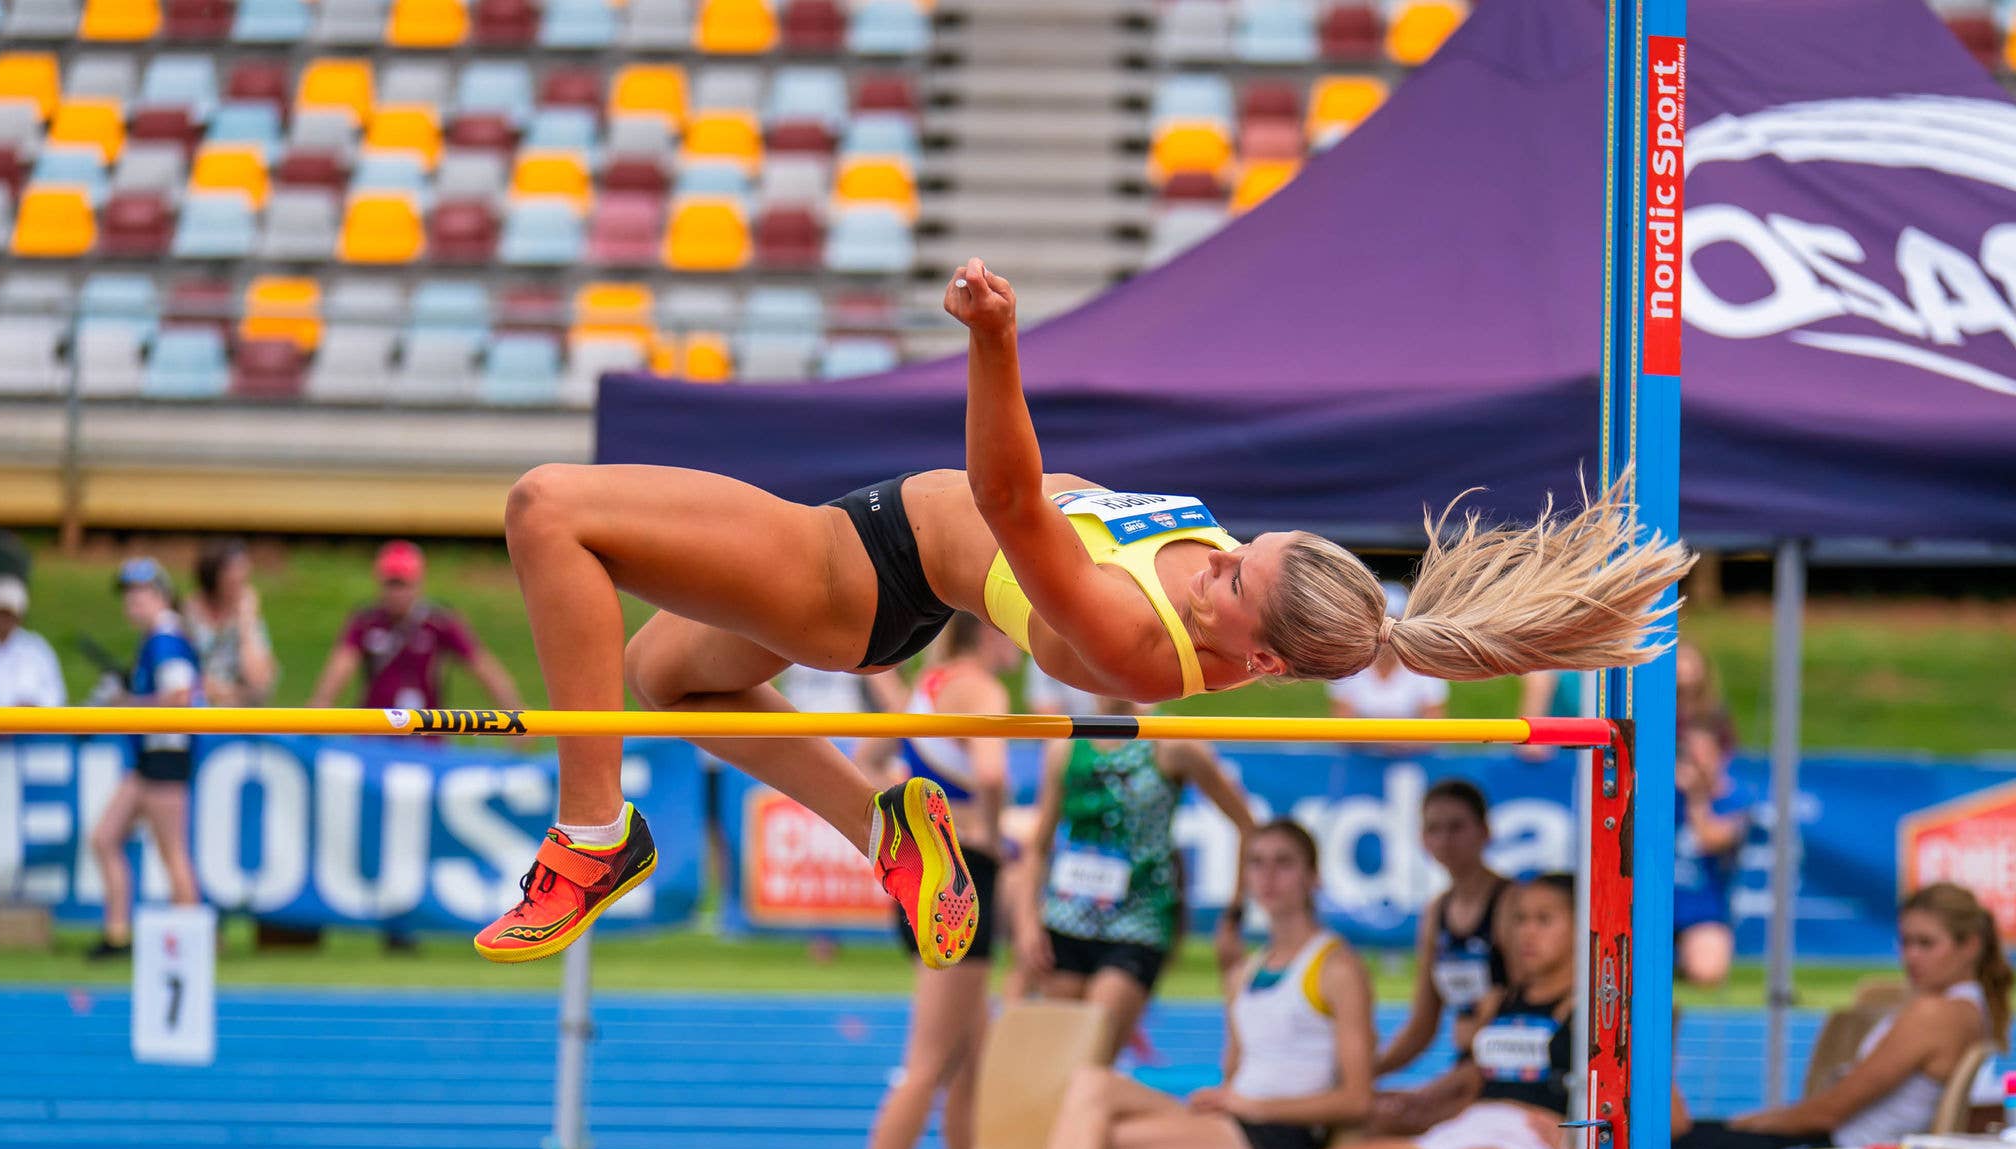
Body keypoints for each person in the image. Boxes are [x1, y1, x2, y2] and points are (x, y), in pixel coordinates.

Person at [473, 257, 1695, 968]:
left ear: (1252, 654)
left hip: (856, 569)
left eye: (1231, 580)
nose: (1218, 558)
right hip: (885, 549)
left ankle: (590, 833)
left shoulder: (1136, 647)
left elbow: (1008, 499)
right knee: (658, 677)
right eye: (1238, 552)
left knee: (548, 511)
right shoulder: (1253, 601)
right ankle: (883, 824)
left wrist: (995, 343)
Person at [1044, 821, 1376, 1149]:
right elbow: (1234, 1072)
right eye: (1257, 863)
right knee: (1091, 1084)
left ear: (1313, 877)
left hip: (1279, 1131)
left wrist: (1256, 1107)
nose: (1269, 875)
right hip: (1233, 1118)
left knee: (1109, 1138)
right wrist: (1227, 1100)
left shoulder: (1337, 968)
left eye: (1284, 862)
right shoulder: (1242, 972)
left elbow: (1357, 1100)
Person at [1673, 882, 2011, 1149]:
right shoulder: (1973, 1009)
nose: (1911, 956)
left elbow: (1829, 1112)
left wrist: (1745, 1122)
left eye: (1926, 943)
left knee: (1668, 1138)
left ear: (1970, 946)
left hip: (1840, 1142)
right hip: (1843, 1137)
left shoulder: (1936, 1014)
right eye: (1905, 942)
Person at [1011, 696, 1260, 1056]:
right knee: (1054, 1062)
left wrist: (1235, 914)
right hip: (1066, 920)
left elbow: (1247, 825)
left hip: (1138, 923)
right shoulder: (1065, 748)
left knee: (1091, 1057)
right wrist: (1027, 924)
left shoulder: (1171, 742)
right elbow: (1037, 847)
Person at [862, 617, 1019, 1149]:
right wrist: (992, 832)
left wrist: (921, 819)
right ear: (989, 633)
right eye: (1014, 630)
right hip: (962, 876)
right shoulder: (981, 688)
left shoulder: (927, 687)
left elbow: (869, 761)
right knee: (928, 1066)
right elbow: (994, 774)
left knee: (973, 1058)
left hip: (922, 870)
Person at [1350, 874, 1578, 1149]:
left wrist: (1570, 1136)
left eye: (1544, 920)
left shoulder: (1586, 1011)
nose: (1528, 933)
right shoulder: (1498, 1001)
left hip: (1528, 1137)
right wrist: (1412, 1101)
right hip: (1471, 1124)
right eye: (1520, 919)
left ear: (1580, 926)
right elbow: (1472, 1077)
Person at [86, 558, 204, 959]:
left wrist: (125, 702)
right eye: (128, 595)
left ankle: (189, 945)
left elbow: (179, 698)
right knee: (104, 838)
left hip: (165, 756)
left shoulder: (166, 637)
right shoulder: (157, 637)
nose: (131, 603)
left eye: (140, 594)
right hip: (147, 759)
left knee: (172, 852)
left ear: (161, 596)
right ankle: (118, 933)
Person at [1374, 780, 1511, 1078]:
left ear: (1485, 831)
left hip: (1509, 1067)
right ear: (1422, 839)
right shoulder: (1436, 912)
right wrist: (1367, 1074)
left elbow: (1530, 1002)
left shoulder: (1511, 903)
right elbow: (1422, 1025)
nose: (1445, 840)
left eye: (1456, 827)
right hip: (1466, 1066)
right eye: (1434, 829)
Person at [306, 540, 522, 715]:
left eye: (403, 584)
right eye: (391, 584)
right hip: (374, 735)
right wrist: (318, 709)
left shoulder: (439, 622)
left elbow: (482, 666)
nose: (397, 593)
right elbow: (339, 669)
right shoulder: (366, 622)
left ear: (418, 583)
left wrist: (513, 710)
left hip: (425, 737)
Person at [1672, 641, 1753, 988]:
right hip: (1651, 901)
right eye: (1690, 753)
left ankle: (1683, 956)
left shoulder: (1735, 798)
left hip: (1701, 908)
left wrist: (1697, 799)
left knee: (1708, 973)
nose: (1698, 761)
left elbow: (1711, 839)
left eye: (1706, 753)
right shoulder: (1659, 792)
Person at [1326, 581, 1447, 757]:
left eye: (1395, 623)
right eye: (1381, 624)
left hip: (1410, 763)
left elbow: (1435, 729)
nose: (1387, 634)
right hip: (1360, 763)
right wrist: (1393, 739)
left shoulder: (1425, 667)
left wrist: (1380, 738)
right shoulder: (1346, 665)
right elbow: (1340, 726)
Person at [183, 538, 277, 707]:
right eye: (233, 571)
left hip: (237, 714)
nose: (240, 577)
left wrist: (246, 620)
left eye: (243, 570)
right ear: (214, 574)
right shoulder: (188, 614)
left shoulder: (247, 615)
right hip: (194, 710)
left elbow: (259, 681)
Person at [0, 573, 66, 713]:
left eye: (8, 614)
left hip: (30, 731)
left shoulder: (36, 648)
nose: (2, 619)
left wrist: (31, 708)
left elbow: (56, 695)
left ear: (19, 616)